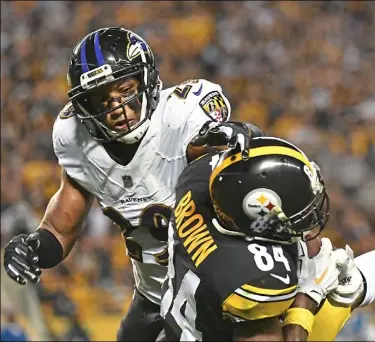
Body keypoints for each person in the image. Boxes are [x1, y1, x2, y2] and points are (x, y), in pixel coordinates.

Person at [2, 26, 257, 341]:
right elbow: (60, 229)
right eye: (102, 100)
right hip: (154, 293)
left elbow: (238, 148)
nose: (117, 108)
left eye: (125, 90)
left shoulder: (181, 116)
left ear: (146, 81)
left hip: (217, 286)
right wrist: (33, 248)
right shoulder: (76, 140)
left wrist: (231, 137)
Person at [161, 134, 375, 341]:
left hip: (190, 323)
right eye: (295, 213)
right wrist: (306, 298)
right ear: (259, 215)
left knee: (338, 277)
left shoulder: (199, 182)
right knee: (336, 285)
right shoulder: (255, 281)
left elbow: (243, 154)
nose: (307, 221)